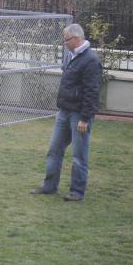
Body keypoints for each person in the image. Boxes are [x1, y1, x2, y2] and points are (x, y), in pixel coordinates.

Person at [32, 23, 101, 201]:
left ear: (77, 38)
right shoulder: (71, 56)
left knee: (79, 155)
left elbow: (92, 92)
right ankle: (49, 186)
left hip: (79, 115)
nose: (64, 43)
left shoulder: (90, 60)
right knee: (54, 150)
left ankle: (77, 192)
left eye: (66, 40)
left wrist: (85, 119)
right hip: (64, 112)